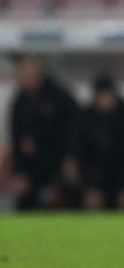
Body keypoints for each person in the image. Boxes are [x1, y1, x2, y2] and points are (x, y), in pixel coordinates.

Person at [67, 75, 124, 210]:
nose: (104, 99)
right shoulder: (84, 119)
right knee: (92, 200)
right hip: (94, 176)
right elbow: (77, 150)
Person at [8, 56, 80, 209]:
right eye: (20, 72)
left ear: (38, 72)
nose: (23, 76)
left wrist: (72, 156)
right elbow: (16, 138)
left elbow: (75, 129)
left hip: (58, 163)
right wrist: (19, 171)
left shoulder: (59, 96)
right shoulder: (19, 102)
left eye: (27, 71)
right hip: (32, 167)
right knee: (26, 201)